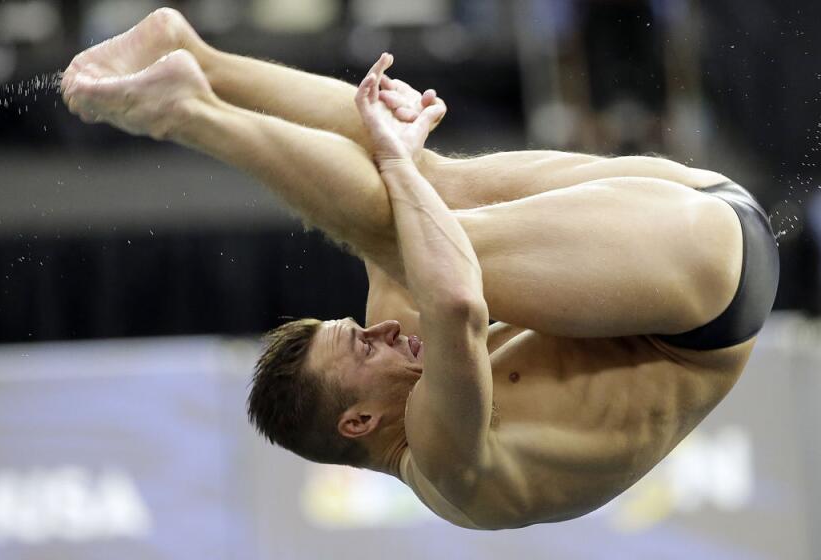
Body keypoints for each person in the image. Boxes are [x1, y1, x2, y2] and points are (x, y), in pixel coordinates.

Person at [61, 8, 779, 529]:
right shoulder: (444, 462)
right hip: (710, 288)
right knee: (407, 221)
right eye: (362, 348)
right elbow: (459, 302)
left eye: (357, 332)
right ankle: (188, 114)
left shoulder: (396, 365)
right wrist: (398, 158)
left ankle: (195, 55)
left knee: (418, 193)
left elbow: (391, 204)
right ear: (360, 421)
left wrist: (396, 143)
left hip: (694, 215)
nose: (378, 335)